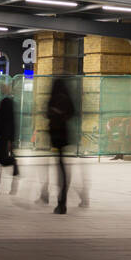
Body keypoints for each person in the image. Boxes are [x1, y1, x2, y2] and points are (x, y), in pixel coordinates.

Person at [45, 77, 76, 214]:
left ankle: (61, 202)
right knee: (62, 168)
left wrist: (55, 113)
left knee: (60, 169)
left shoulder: (55, 97)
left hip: (56, 136)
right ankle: (61, 202)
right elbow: (72, 113)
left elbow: (47, 114)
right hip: (63, 136)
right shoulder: (66, 97)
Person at [0, 86, 19, 193]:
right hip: (6, 136)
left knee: (0, 160)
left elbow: (0, 120)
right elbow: (12, 122)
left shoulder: (5, 102)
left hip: (3, 136)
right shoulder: (10, 102)